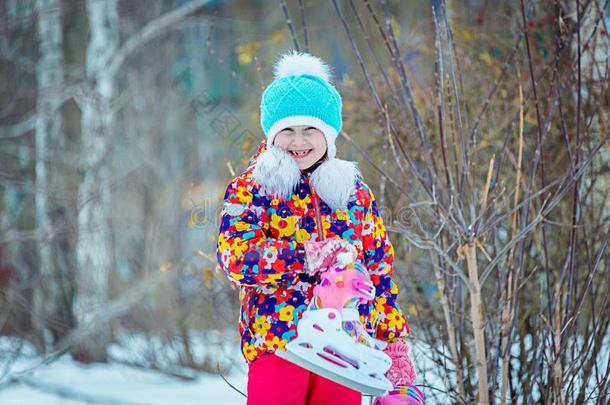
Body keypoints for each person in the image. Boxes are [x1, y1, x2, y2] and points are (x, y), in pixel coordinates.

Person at [217, 50, 422, 405]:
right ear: (271, 134)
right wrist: (306, 257)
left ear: (329, 133)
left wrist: (394, 343)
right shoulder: (252, 188)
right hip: (279, 343)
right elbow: (236, 259)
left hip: (343, 351)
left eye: (310, 129)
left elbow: (377, 271)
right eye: (288, 131)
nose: (299, 142)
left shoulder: (352, 193)